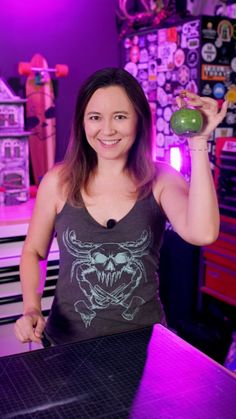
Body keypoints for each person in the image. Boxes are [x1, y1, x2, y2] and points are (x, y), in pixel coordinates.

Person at [14, 67, 228, 346]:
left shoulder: (161, 178)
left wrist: (199, 142)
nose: (107, 129)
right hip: (65, 344)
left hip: (145, 344)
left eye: (120, 116)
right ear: (82, 123)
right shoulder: (58, 181)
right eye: (95, 118)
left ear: (139, 120)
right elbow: (33, 251)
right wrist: (31, 307)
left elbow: (202, 233)